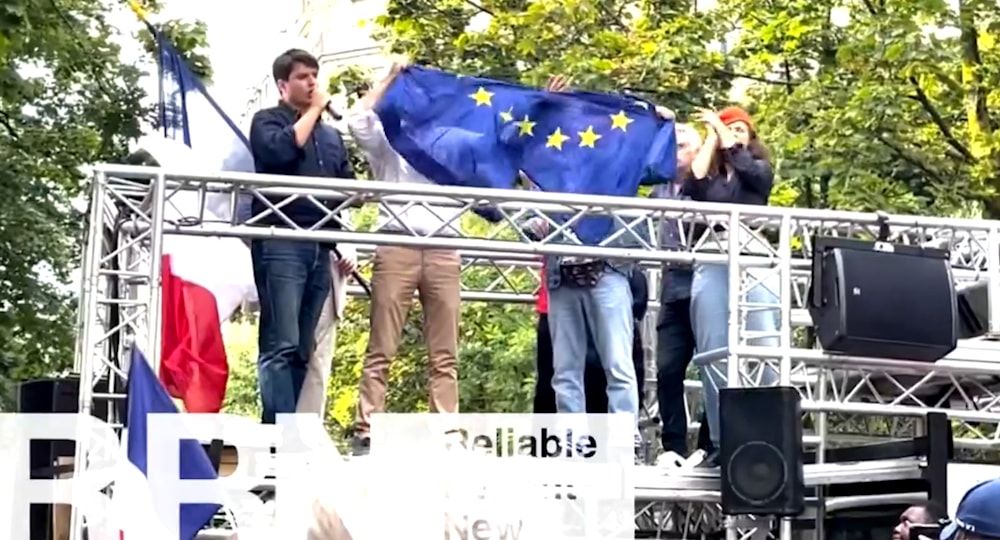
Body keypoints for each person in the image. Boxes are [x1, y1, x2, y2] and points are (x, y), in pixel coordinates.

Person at [346, 62, 463, 455]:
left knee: (445, 352)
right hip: (397, 245)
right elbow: (356, 122)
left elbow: (504, 144)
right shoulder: (390, 137)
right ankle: (367, 429)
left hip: (446, 248)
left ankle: (446, 434)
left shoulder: (456, 143)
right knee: (382, 344)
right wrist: (389, 78)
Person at [248, 48, 355, 424]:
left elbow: (348, 187)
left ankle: (286, 435)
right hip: (281, 241)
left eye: (315, 75)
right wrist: (312, 112)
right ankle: (275, 438)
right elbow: (277, 154)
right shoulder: (266, 121)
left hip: (320, 245)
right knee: (281, 343)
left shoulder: (330, 137)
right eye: (302, 77)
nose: (312, 83)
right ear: (282, 85)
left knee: (302, 350)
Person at [683, 105, 779, 465]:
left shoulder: (758, 169)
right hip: (713, 253)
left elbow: (754, 175)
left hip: (753, 253)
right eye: (730, 129)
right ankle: (725, 441)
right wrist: (711, 135)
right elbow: (694, 179)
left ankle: (766, 435)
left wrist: (727, 137)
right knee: (712, 350)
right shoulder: (712, 173)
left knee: (765, 346)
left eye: (741, 129)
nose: (735, 135)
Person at [652, 123, 713, 458]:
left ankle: (708, 445)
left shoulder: (707, 186)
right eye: (671, 145)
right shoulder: (658, 188)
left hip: (706, 282)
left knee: (711, 367)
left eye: (682, 145)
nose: (675, 152)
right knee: (668, 368)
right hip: (673, 287)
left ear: (698, 150)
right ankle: (672, 445)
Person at [297, 235, 357, 416]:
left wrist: (348, 246)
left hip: (329, 263)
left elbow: (344, 219)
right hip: (288, 257)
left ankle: (307, 432)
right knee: (284, 352)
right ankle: (281, 429)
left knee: (317, 358)